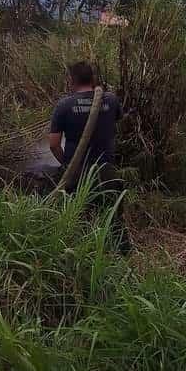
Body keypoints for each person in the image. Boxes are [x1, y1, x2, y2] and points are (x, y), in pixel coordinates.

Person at [48, 62, 130, 252]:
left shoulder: (64, 106)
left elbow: (53, 144)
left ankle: (81, 256)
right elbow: (119, 120)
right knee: (113, 220)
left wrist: (67, 164)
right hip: (106, 171)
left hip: (76, 175)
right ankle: (121, 258)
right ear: (93, 79)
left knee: (77, 219)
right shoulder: (110, 100)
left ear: (71, 80)